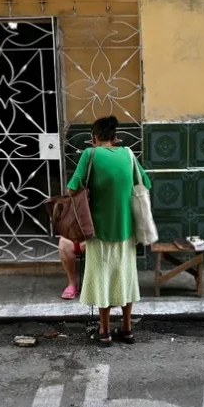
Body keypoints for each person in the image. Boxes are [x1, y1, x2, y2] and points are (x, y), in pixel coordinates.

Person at [66, 116, 151, 345]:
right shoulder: (129, 154)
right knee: (125, 277)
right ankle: (127, 328)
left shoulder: (89, 154)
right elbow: (145, 182)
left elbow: (72, 187)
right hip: (126, 229)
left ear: (94, 137)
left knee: (102, 279)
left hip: (98, 230)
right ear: (115, 138)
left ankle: (104, 331)